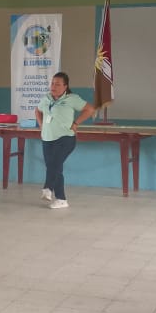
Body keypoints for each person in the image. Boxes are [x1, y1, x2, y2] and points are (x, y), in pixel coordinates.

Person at [33, 72, 96, 210]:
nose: (53, 86)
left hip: (65, 138)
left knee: (54, 164)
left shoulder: (72, 98)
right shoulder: (46, 98)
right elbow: (37, 110)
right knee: (55, 168)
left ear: (65, 86)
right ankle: (61, 199)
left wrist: (76, 123)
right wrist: (41, 125)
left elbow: (90, 109)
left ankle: (48, 188)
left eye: (57, 84)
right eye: (52, 83)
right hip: (47, 138)